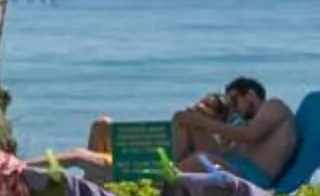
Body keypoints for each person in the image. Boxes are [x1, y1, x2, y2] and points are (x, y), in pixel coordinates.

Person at [87, 78, 301, 187]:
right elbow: (230, 146)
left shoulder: (274, 106)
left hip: (250, 177)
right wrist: (196, 122)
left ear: (251, 94)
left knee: (201, 159)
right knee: (183, 119)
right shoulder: (246, 122)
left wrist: (204, 122)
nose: (234, 109)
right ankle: (164, 166)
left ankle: (139, 175)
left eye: (235, 100)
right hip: (234, 165)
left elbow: (250, 136)